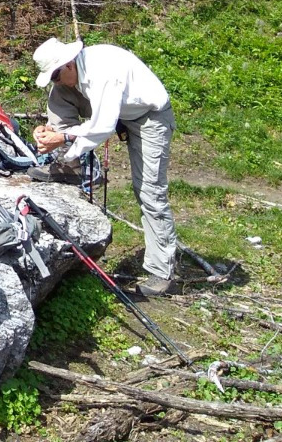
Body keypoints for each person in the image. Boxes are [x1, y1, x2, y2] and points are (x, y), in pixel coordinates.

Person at [31, 37, 178, 297]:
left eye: (55, 76)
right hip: (121, 112)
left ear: (68, 64)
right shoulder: (73, 75)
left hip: (149, 118)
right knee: (59, 94)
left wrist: (64, 138)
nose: (55, 81)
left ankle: (162, 271)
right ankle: (68, 167)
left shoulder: (103, 73)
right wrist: (50, 133)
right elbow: (95, 120)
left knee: (149, 191)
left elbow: (103, 125)